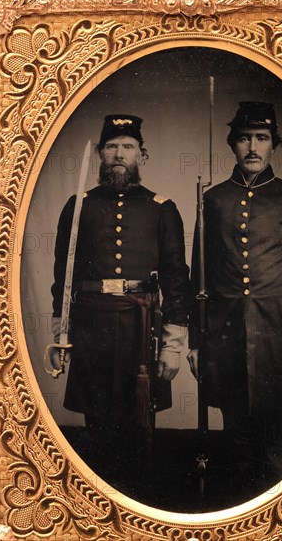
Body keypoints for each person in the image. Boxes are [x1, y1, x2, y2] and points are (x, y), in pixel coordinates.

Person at [187, 101, 282, 499]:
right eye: (245, 138)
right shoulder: (212, 201)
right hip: (226, 332)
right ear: (233, 144)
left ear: (273, 146)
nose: (253, 147)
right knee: (234, 439)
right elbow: (199, 275)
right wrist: (197, 343)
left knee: (278, 438)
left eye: (262, 138)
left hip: (281, 333)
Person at [50, 114, 190, 476]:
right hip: (91, 327)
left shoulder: (162, 208)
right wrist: (60, 334)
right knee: (95, 423)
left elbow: (177, 280)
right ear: (100, 153)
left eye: (127, 147)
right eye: (111, 146)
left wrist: (174, 345)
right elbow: (62, 277)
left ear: (142, 155)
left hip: (141, 327)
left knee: (139, 418)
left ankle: (137, 493)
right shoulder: (78, 205)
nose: (118, 154)